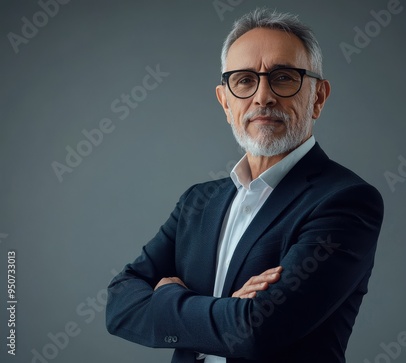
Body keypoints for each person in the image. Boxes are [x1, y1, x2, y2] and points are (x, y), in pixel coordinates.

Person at [106, 8, 384, 363]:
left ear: (318, 97)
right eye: (244, 80)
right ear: (225, 101)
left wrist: (167, 299)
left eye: (284, 77)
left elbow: (256, 331)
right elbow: (119, 305)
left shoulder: (345, 201)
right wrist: (226, 311)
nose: (262, 96)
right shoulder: (198, 201)